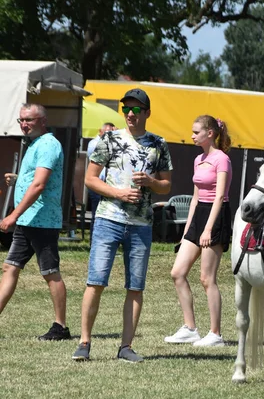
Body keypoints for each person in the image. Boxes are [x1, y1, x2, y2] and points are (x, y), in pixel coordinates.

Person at [72, 88, 172, 363]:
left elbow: (166, 185)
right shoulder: (109, 139)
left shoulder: (158, 144)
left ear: (147, 113)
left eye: (137, 109)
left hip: (141, 225)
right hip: (108, 220)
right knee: (96, 281)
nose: (130, 113)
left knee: (135, 286)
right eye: (126, 108)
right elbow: (91, 179)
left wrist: (152, 183)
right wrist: (118, 193)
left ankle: (125, 347)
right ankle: (84, 342)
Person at [0, 103, 71, 340]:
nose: (23, 124)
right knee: (10, 267)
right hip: (28, 221)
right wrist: (19, 179)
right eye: (21, 120)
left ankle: (60, 327)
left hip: (43, 221)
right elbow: (37, 178)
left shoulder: (49, 144)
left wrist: (13, 215)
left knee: (50, 273)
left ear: (43, 120)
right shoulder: (33, 144)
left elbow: (40, 185)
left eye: (28, 120)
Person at [165, 115, 232, 347]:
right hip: (199, 216)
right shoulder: (198, 159)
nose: (192, 135)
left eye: (196, 132)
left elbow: (220, 197)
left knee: (206, 278)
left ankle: (215, 334)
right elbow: (195, 199)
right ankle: (190, 328)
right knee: (178, 272)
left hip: (216, 216)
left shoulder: (221, 159)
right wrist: (188, 230)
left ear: (210, 133)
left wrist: (208, 229)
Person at [86, 122, 116, 235]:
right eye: (106, 132)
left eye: (111, 132)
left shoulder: (113, 141)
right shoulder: (93, 143)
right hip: (97, 183)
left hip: (110, 184)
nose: (108, 135)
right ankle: (94, 239)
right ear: (100, 131)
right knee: (97, 213)